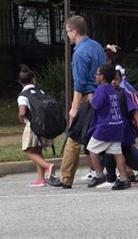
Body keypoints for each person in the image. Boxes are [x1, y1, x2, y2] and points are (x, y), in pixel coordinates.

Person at [50, 15, 106, 189]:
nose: (67, 35)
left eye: (67, 32)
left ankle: (66, 178)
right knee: (99, 135)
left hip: (87, 98)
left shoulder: (80, 53)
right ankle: (123, 170)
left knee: (74, 138)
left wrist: (74, 108)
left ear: (74, 32)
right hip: (101, 95)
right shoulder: (97, 46)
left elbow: (80, 84)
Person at [101, 66, 138, 188]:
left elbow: (134, 110)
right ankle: (111, 178)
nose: (113, 82)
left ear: (121, 80)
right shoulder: (106, 94)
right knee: (112, 153)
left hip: (123, 129)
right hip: (112, 129)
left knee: (124, 152)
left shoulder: (123, 93)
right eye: (111, 80)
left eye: (116, 79)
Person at [86, 64, 131, 190]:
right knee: (117, 152)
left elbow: (96, 105)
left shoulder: (101, 89)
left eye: (97, 74)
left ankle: (99, 175)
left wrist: (90, 97)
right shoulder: (112, 89)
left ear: (103, 77)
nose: (96, 76)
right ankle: (124, 178)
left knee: (92, 149)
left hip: (105, 126)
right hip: (117, 124)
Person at [17, 65, 55, 187]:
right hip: (43, 125)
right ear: (34, 79)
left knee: (28, 150)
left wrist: (20, 118)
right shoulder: (41, 92)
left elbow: (23, 112)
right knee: (37, 150)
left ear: (20, 82)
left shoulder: (23, 95)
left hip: (32, 125)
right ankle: (40, 179)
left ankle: (48, 167)